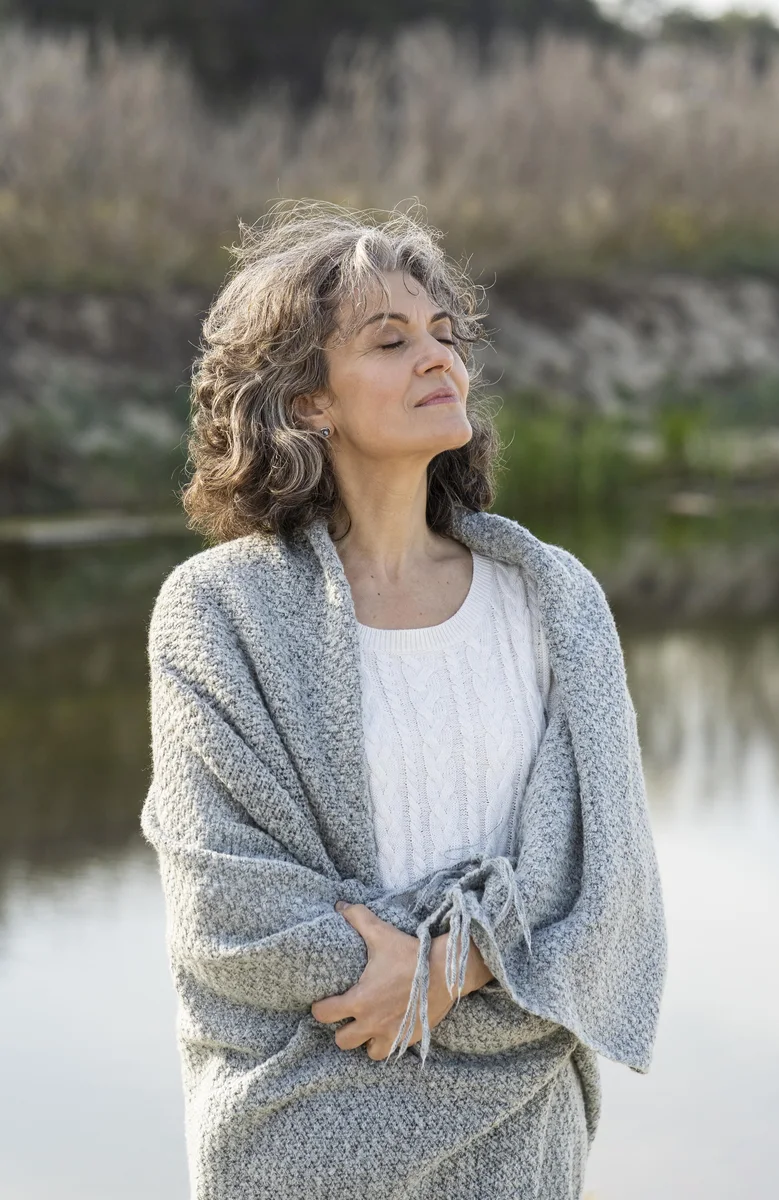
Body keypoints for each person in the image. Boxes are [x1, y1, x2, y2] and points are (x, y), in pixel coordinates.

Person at [141, 198, 667, 1199]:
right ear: (306, 402)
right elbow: (224, 902)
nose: (438, 359)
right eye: (390, 341)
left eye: (445, 335)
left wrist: (446, 967)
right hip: (294, 1133)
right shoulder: (216, 613)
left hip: (519, 1134)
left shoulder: (550, 599)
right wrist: (475, 950)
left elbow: (609, 884)